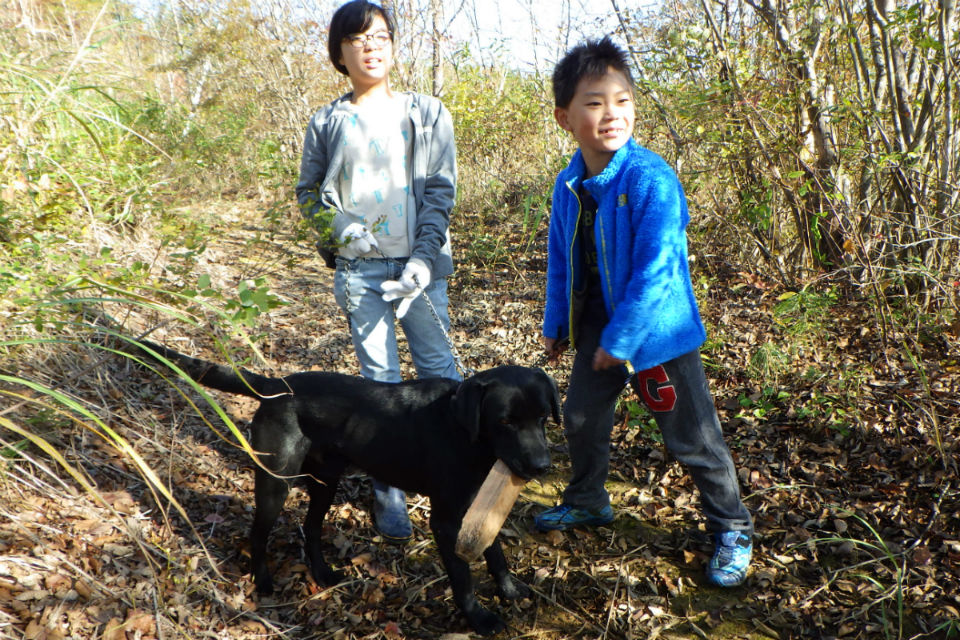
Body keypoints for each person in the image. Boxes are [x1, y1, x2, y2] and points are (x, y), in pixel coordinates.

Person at [534, 36, 754, 587]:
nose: (612, 113)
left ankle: (732, 527)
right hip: (596, 329)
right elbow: (561, 259)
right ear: (565, 117)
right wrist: (557, 325)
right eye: (594, 102)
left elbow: (657, 270)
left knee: (693, 438)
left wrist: (624, 339)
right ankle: (587, 500)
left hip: (656, 334)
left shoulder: (651, 179)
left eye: (623, 99)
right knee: (580, 419)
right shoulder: (568, 184)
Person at [296, 0, 460, 543]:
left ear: (393, 45)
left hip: (420, 272)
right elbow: (308, 194)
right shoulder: (326, 122)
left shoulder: (428, 113)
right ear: (340, 52)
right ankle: (390, 488)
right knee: (380, 382)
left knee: (440, 373)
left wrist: (422, 257)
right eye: (358, 39)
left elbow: (440, 190)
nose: (372, 46)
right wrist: (340, 227)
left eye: (381, 36)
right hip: (359, 272)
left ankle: (459, 474)